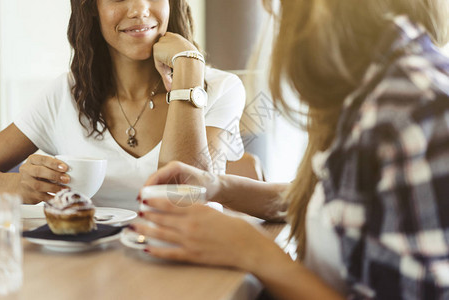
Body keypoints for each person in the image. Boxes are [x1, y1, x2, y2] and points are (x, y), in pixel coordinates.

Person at [130, 0, 449, 299]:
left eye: (280, 14)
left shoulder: (412, 113)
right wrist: (220, 187)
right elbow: (346, 206)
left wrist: (250, 249)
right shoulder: (378, 88)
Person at [0, 0, 245, 210]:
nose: (139, 9)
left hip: (189, 261)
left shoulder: (222, 89)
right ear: (93, 8)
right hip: (92, 262)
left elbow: (182, 199)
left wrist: (188, 67)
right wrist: (19, 185)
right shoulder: (64, 95)